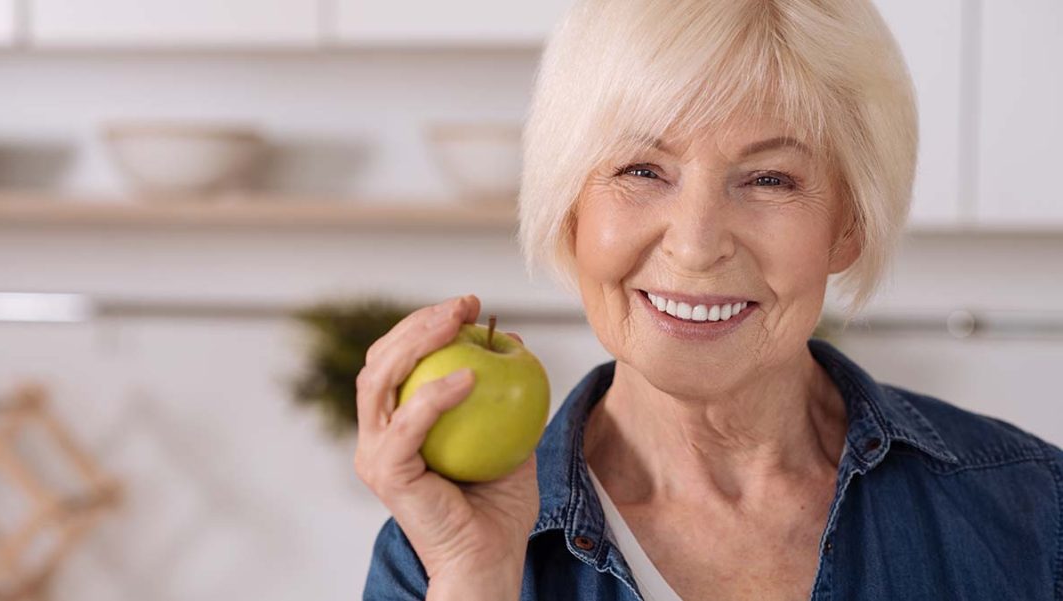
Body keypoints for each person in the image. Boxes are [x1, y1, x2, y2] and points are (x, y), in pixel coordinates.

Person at [354, 0, 1063, 599]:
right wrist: (475, 577)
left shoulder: (1032, 512)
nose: (696, 244)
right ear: (571, 207)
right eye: (641, 169)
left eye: (769, 180)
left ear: (848, 225)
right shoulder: (437, 553)